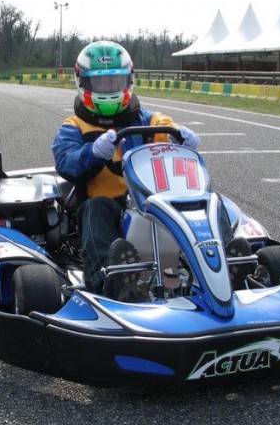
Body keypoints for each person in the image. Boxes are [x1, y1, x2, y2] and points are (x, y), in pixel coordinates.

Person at [52, 40, 218, 300]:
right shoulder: (74, 126)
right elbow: (65, 161)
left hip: (153, 205)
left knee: (211, 201)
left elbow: (164, 124)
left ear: (128, 81)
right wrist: (92, 152)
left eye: (114, 82)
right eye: (101, 83)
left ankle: (228, 262)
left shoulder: (147, 120)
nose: (108, 88)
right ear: (84, 83)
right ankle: (107, 282)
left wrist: (180, 138)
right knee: (96, 209)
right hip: (108, 208)